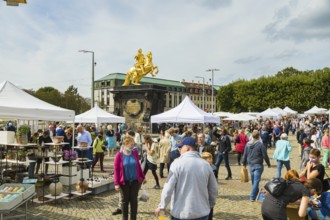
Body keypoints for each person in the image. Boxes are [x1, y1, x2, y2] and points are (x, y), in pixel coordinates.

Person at [155, 137, 218, 220]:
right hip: (202, 212)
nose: (179, 149)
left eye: (181, 147)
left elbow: (168, 188)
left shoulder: (177, 164)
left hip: (181, 213)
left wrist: (162, 206)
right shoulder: (206, 165)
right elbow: (213, 189)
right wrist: (210, 204)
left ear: (188, 148)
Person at [114, 135, 145, 220]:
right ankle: (125, 218)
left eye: (133, 144)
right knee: (125, 201)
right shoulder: (119, 155)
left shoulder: (134, 152)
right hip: (124, 182)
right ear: (126, 144)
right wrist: (116, 183)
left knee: (134, 201)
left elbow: (138, 165)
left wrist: (143, 176)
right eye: (131, 144)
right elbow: (116, 170)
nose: (133, 146)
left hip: (135, 181)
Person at [242, 130, 271, 201]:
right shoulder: (260, 144)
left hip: (251, 165)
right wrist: (268, 163)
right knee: (256, 181)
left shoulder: (248, 144)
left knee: (254, 181)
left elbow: (244, 154)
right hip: (258, 165)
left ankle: (256, 194)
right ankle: (252, 196)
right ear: (258, 136)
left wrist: (244, 163)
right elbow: (265, 155)